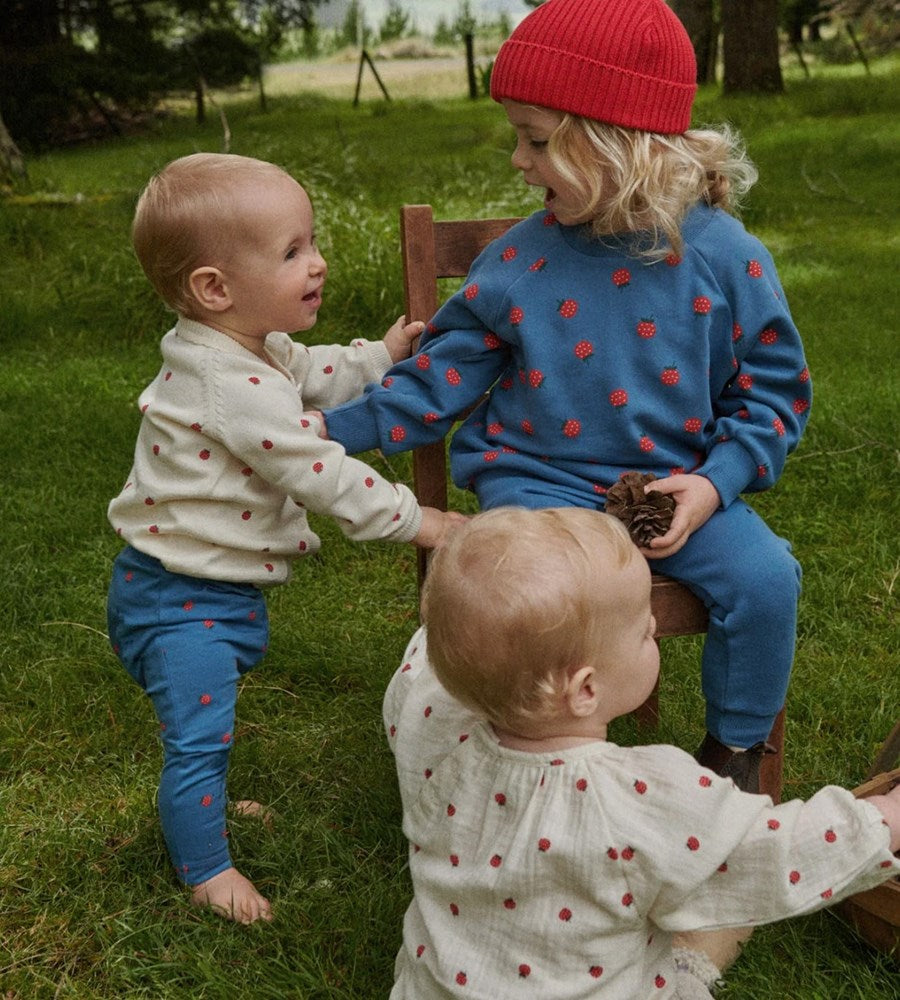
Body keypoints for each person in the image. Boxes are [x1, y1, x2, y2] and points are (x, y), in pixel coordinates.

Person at [318, 0, 813, 794]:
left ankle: (732, 763)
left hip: (671, 492)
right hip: (538, 488)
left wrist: (712, 485)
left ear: (623, 145)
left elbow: (773, 395)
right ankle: (521, 764)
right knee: (534, 600)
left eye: (538, 139)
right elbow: (435, 383)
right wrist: (318, 432)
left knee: (766, 581)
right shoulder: (519, 263)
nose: (519, 160)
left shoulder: (727, 259)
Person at [106, 152, 463, 924]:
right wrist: (422, 520)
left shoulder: (247, 347)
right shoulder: (227, 386)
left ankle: (208, 806)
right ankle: (206, 869)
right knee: (197, 736)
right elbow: (319, 470)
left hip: (199, 587)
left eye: (312, 242)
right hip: (178, 601)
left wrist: (379, 356)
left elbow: (312, 370)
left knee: (209, 720)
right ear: (214, 287)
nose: (318, 262)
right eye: (292, 251)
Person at [384, 507, 900, 999]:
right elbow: (773, 855)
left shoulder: (435, 729)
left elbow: (425, 665)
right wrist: (882, 819)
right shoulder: (640, 797)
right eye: (644, 631)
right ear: (585, 689)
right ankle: (691, 974)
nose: (654, 631)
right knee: (727, 915)